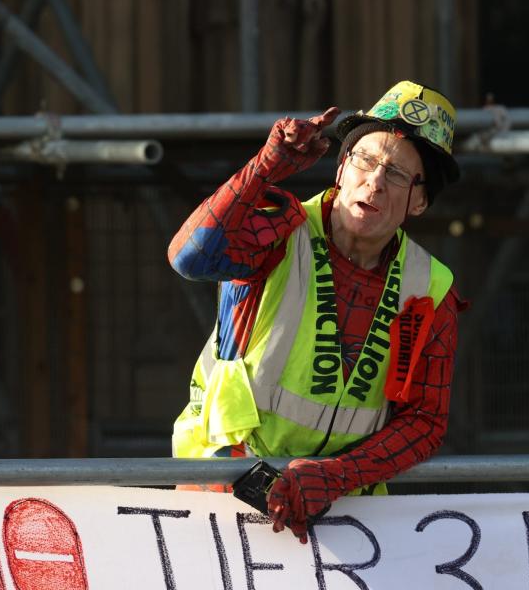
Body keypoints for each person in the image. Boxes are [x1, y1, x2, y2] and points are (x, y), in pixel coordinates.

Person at [168, 80, 466, 543]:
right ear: (341, 167)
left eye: (399, 175)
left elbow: (424, 422)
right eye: (366, 161)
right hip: (224, 491)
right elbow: (190, 258)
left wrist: (339, 475)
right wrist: (265, 169)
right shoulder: (279, 227)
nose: (376, 182)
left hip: (340, 514)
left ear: (420, 201)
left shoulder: (433, 288)